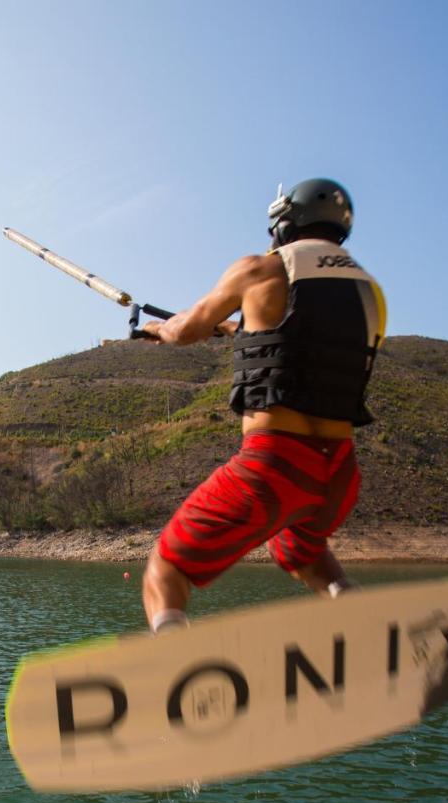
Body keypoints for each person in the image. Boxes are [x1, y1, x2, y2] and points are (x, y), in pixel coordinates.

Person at [140, 178, 387, 633]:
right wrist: (236, 329)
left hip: (275, 465)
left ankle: (172, 667)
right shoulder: (368, 291)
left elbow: (186, 330)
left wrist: (162, 329)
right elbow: (301, 339)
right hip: (338, 473)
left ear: (283, 221)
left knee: (165, 570)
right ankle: (355, 617)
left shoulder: (258, 270)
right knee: (302, 551)